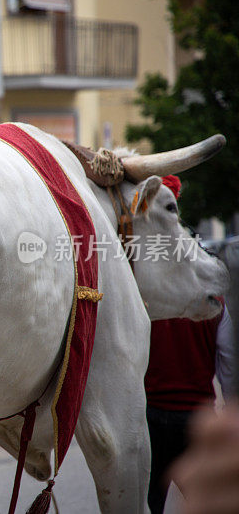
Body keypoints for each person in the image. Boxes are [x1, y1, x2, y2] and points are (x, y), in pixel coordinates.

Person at [143, 175, 236, 514]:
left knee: (146, 503)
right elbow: (228, 363)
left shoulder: (141, 292)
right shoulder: (214, 294)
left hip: (149, 417)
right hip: (196, 419)